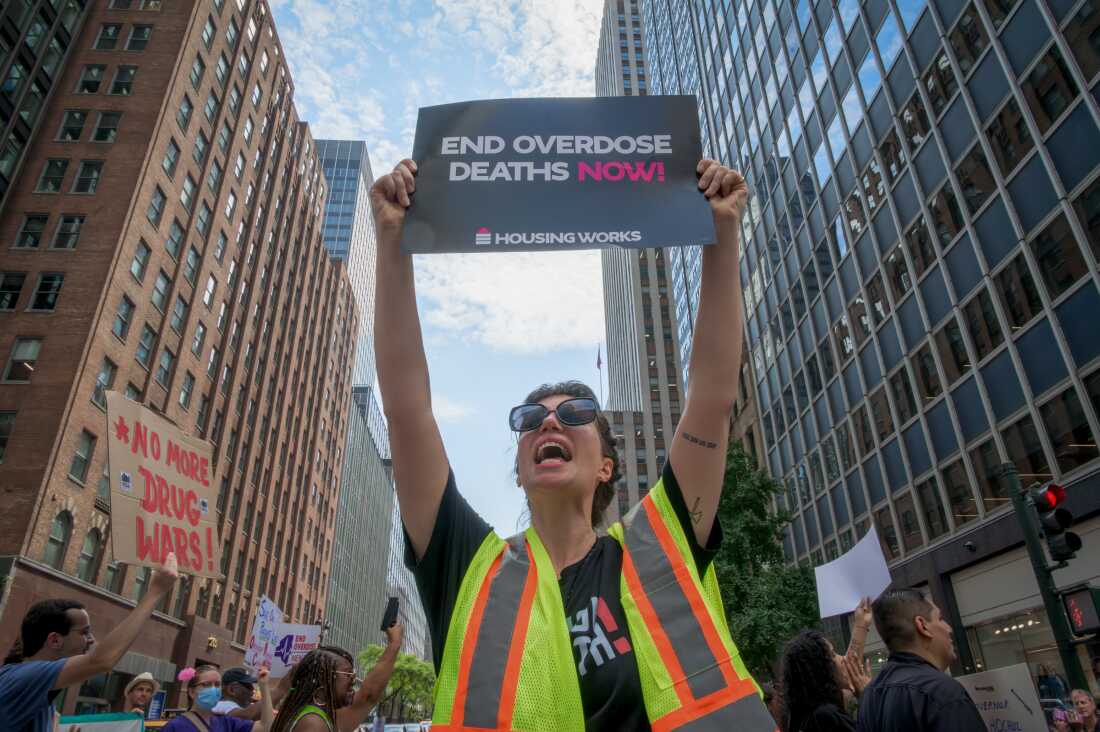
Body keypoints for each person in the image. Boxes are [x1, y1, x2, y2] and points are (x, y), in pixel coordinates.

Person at [372, 155, 772, 731]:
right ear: (519, 465)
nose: (549, 423)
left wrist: (722, 233)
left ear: (607, 466)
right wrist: (392, 240)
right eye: (531, 417)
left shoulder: (661, 544)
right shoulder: (467, 567)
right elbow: (408, 413)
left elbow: (710, 400)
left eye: (575, 413)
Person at [0, 553, 179, 732]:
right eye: (84, 632)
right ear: (54, 640)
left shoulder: (32, 685)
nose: (91, 639)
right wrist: (156, 591)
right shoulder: (28, 676)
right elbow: (101, 660)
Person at [855, 587, 985, 732]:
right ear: (922, 625)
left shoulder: (869, 697)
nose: (949, 629)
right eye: (940, 618)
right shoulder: (941, 692)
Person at [268, 624, 403, 732]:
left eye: (354, 674)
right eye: (348, 674)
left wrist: (394, 644)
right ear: (323, 677)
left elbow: (367, 697)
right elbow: (367, 697)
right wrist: (394, 645)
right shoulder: (313, 723)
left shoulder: (321, 716)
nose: (353, 680)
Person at [779, 630, 870, 732]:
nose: (842, 659)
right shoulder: (826, 717)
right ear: (820, 668)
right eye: (832, 655)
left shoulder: (802, 717)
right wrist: (868, 699)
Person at [164, 665, 274, 731]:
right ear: (192, 692)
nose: (213, 689)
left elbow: (265, 727)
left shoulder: (227, 723)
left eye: (217, 685)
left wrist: (264, 686)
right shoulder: (175, 727)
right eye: (206, 685)